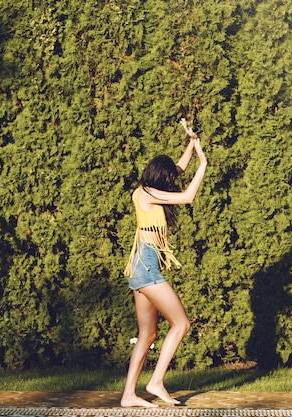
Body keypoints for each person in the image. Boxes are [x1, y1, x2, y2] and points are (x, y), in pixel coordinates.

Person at [120, 119, 207, 408]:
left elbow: (179, 169)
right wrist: (204, 164)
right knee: (181, 324)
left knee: (148, 333)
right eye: (168, 178)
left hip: (141, 265)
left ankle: (129, 395)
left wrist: (192, 144)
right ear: (159, 176)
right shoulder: (146, 192)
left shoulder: (150, 190)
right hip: (145, 265)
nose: (173, 180)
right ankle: (156, 381)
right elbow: (187, 196)